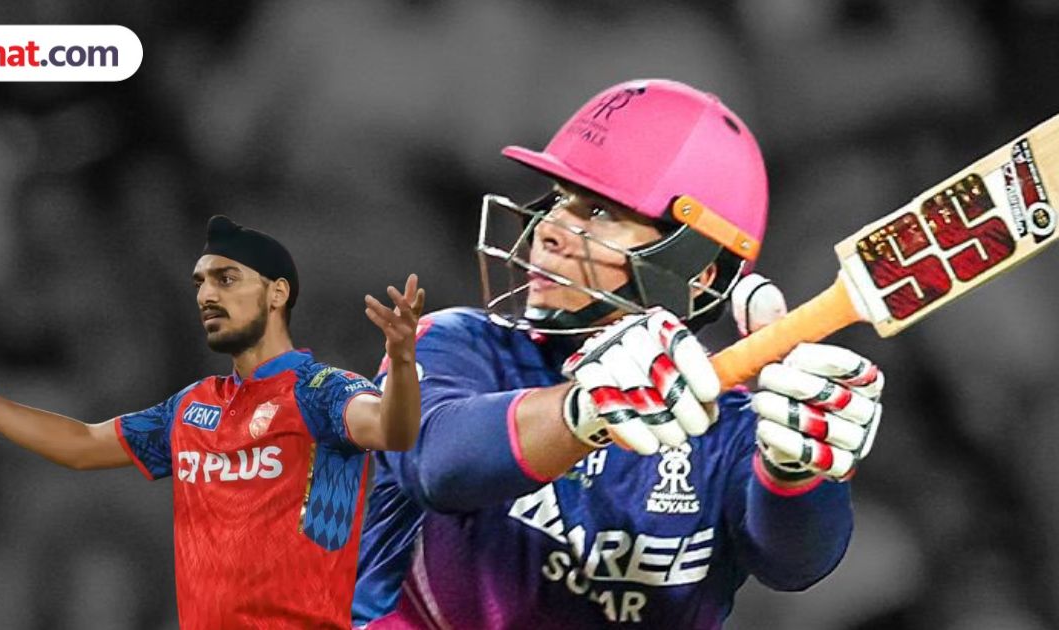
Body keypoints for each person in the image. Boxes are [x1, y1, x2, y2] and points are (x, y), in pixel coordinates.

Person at [352, 79, 885, 629]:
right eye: (558, 199)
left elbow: (795, 563)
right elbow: (437, 464)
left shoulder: (732, 432)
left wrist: (795, 471)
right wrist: (586, 409)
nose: (548, 228)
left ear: (698, 273)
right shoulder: (456, 343)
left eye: (600, 212)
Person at [0, 215, 427, 629]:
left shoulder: (325, 392)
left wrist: (401, 362)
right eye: (203, 283)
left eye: (227, 281)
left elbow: (393, 430)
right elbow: (83, 445)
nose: (208, 296)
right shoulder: (192, 408)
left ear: (277, 294)